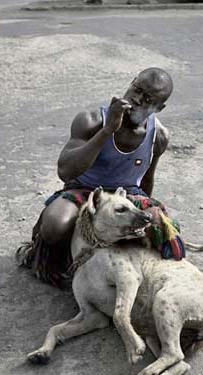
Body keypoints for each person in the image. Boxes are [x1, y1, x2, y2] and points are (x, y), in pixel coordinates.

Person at [18, 67, 186, 288]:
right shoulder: (91, 120)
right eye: (136, 89)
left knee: (160, 227)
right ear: (131, 82)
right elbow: (65, 171)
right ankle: (62, 266)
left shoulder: (159, 136)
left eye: (147, 99)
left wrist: (143, 213)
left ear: (159, 107)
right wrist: (107, 131)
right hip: (84, 189)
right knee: (55, 225)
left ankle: (133, 278)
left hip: (126, 195)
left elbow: (146, 180)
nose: (136, 99)